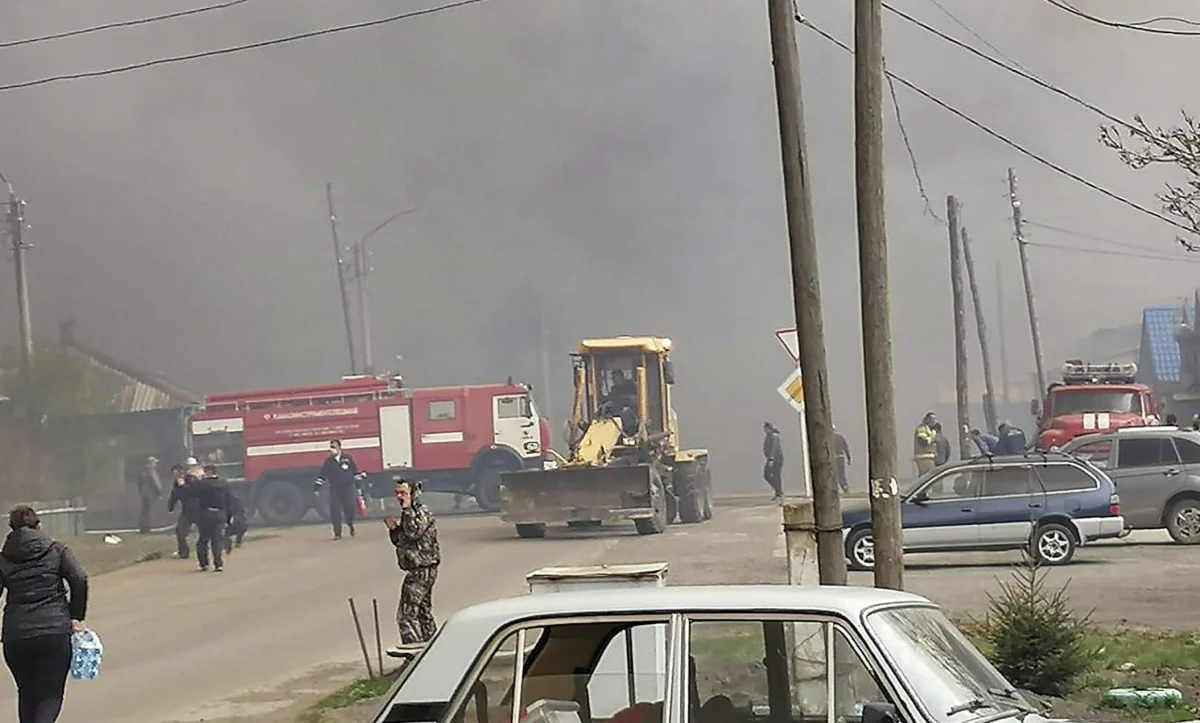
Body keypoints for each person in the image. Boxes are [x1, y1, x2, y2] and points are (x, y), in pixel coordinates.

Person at [0, 505, 89, 723]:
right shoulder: (56, 550)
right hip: (53, 631)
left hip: (16, 636)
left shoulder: (3, 558)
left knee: (27, 694)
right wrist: (76, 616)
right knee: (49, 696)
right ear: (39, 527)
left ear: (11, 530)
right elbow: (79, 578)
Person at [386, 478, 440, 653]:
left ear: (414, 494)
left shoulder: (421, 512)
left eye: (404, 493)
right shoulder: (409, 513)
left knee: (407, 615)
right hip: (419, 567)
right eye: (397, 494)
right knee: (423, 612)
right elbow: (404, 540)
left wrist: (407, 509)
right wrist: (394, 530)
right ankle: (432, 648)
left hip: (421, 569)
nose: (400, 497)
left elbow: (414, 532)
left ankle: (414, 656)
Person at [314, 440, 367, 540]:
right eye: (331, 447)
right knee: (335, 510)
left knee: (349, 509)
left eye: (334, 447)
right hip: (335, 489)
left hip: (348, 488)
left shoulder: (348, 458)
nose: (332, 449)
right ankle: (337, 533)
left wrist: (359, 487)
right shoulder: (328, 462)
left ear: (339, 447)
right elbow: (322, 475)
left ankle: (350, 524)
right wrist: (317, 488)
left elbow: (355, 473)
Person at [193, 465, 232, 572]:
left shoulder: (203, 484)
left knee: (203, 540)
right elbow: (228, 501)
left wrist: (196, 478)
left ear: (208, 472)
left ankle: (204, 564)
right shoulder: (223, 484)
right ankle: (218, 564)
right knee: (217, 541)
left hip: (206, 514)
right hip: (220, 514)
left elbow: (193, 492)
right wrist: (228, 518)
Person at [167, 463, 200, 559]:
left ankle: (217, 545)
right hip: (186, 511)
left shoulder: (192, 479)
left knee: (206, 531)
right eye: (175, 473)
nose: (177, 475)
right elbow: (175, 494)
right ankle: (183, 552)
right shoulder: (176, 482)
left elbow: (195, 492)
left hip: (198, 509)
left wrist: (184, 485)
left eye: (178, 472)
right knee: (180, 531)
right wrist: (171, 506)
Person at [136, 456, 162, 535]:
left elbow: (139, 483)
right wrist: (158, 493)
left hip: (144, 494)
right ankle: (147, 528)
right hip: (151, 494)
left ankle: (143, 527)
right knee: (149, 511)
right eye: (154, 463)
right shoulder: (151, 471)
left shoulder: (142, 471)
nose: (155, 465)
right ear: (151, 463)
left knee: (144, 511)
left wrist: (141, 491)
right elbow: (155, 483)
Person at [762, 421, 784, 501]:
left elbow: (774, 448)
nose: (765, 431)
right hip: (770, 458)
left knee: (775, 475)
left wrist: (771, 459)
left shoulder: (774, 436)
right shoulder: (768, 436)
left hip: (776, 459)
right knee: (768, 475)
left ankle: (779, 492)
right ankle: (778, 491)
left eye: (766, 429)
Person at [223, 490, 248, 556]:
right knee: (241, 529)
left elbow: (228, 513)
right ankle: (238, 543)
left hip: (236, 521)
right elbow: (243, 511)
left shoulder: (226, 502)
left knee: (225, 533)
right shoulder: (237, 500)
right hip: (243, 523)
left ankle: (228, 546)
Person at [832, 425, 851, 493]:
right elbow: (846, 447)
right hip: (841, 457)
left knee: (833, 474)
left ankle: (835, 489)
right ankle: (845, 488)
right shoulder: (840, 437)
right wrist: (849, 458)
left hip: (833, 458)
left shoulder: (828, 438)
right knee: (842, 474)